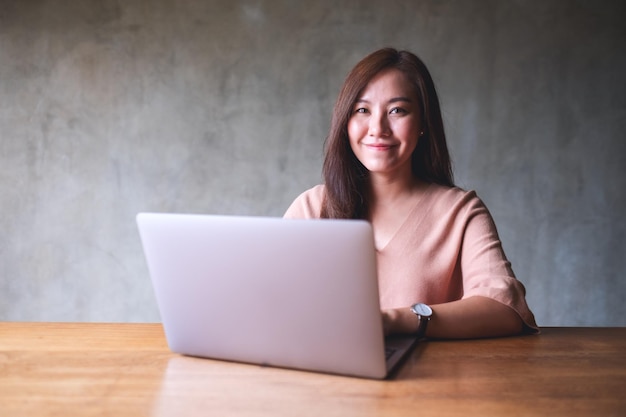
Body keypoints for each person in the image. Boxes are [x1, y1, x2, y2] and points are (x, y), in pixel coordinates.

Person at [284, 48, 539, 339]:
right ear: (345, 122)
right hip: (325, 378)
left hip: (427, 380)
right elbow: (269, 302)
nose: (377, 128)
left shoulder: (461, 212)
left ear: (422, 124)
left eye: (397, 110)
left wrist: (390, 321)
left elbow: (505, 309)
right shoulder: (311, 208)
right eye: (362, 110)